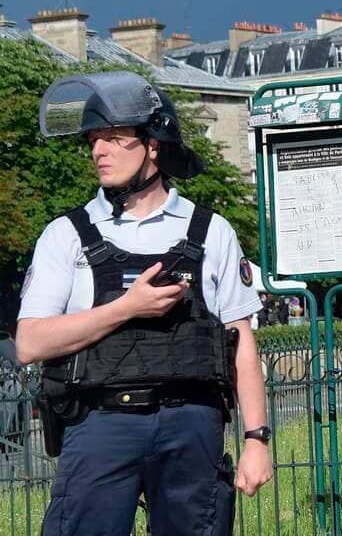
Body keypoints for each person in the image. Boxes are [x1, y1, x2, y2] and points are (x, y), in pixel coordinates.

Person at [16, 71, 272, 536]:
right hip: (101, 422)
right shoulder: (66, 234)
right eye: (94, 140)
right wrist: (126, 308)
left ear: (153, 144)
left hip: (191, 423)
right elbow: (30, 343)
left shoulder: (211, 230)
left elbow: (241, 342)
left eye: (114, 139)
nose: (99, 152)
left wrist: (257, 440)